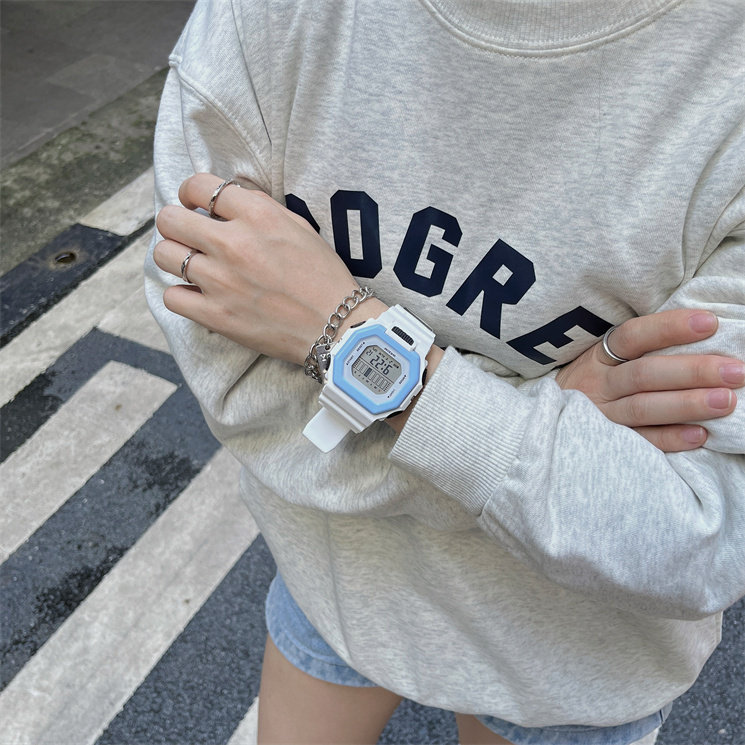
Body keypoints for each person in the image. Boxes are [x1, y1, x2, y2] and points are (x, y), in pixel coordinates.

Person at [144, 1, 745, 743]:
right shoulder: (271, 16)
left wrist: (339, 332)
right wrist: (537, 427)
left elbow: (697, 537)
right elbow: (229, 378)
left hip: (567, 658)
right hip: (333, 581)